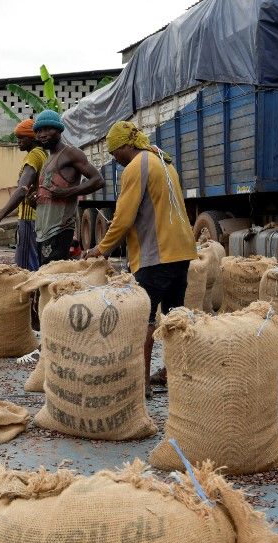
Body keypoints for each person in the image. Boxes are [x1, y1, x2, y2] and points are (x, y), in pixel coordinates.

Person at [83, 120, 197, 398]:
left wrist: (102, 249)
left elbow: (123, 216)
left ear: (126, 145)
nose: (114, 159)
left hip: (157, 255)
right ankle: (173, 376)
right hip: (181, 252)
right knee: (174, 318)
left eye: (114, 152)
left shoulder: (137, 167)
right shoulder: (164, 161)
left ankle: (141, 384)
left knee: (142, 320)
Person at [32, 110, 104, 264]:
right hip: (43, 230)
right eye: (38, 131)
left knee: (52, 277)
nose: (42, 134)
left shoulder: (70, 153)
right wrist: (34, 199)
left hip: (59, 229)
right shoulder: (48, 159)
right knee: (44, 276)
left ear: (58, 130)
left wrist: (67, 192)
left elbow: (98, 180)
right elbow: (49, 196)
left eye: (47, 129)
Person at [0, 119, 47, 271]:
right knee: (36, 264)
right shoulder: (44, 155)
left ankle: (29, 295)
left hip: (29, 220)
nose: (18, 141)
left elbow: (22, 189)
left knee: (25, 268)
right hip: (38, 218)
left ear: (32, 138)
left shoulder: (34, 156)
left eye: (21, 137)